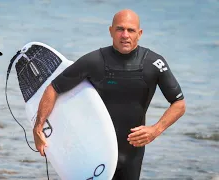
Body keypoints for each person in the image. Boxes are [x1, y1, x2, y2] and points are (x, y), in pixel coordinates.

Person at [32, 9, 186, 180]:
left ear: (139, 34)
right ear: (111, 31)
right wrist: (38, 127)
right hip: (93, 153)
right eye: (120, 29)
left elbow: (179, 104)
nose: (125, 35)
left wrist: (155, 130)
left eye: (131, 30)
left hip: (131, 155)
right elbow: (53, 88)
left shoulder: (154, 64)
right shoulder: (94, 61)